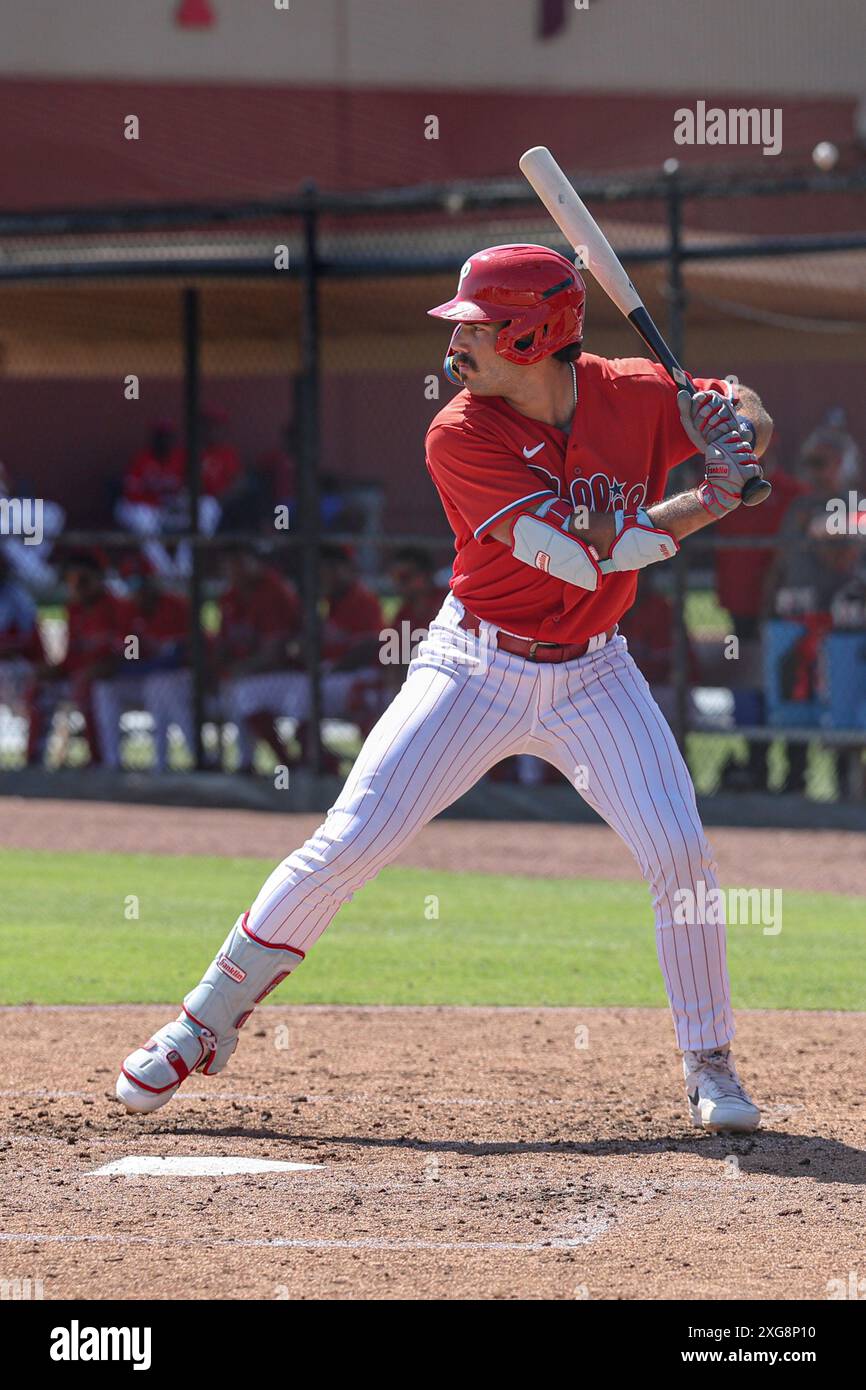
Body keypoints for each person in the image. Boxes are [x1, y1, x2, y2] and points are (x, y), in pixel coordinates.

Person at [118, 243, 772, 1134]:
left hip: (595, 672)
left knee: (682, 853)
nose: (456, 345)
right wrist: (709, 500)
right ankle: (204, 1024)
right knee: (349, 840)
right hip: (475, 665)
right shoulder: (459, 433)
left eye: (476, 328)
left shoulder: (637, 393)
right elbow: (584, 559)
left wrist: (733, 421)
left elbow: (753, 415)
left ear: (536, 335)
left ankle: (711, 1066)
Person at [713, 432, 805, 791]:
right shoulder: (723, 490)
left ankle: (796, 774)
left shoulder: (791, 493)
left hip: (785, 614)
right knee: (748, 692)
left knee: (789, 690)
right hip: (740, 614)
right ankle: (756, 768)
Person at [25, 551, 135, 766]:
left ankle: (99, 760)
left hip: (115, 679)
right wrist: (54, 670)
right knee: (40, 690)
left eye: (83, 580)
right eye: (72, 581)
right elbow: (71, 657)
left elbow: (133, 652)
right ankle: (34, 761)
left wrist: (109, 666)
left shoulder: (119, 607)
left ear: (99, 578)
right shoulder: (73, 610)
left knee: (89, 690)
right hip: (79, 677)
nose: (77, 587)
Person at [91, 557, 191, 773]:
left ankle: (174, 762)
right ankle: (112, 762)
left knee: (159, 685)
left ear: (153, 582)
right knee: (105, 688)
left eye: (142, 583)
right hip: (145, 678)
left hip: (182, 678)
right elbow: (131, 656)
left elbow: (179, 657)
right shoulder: (129, 612)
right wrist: (137, 657)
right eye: (131, 584)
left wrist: (148, 658)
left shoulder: (176, 607)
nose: (138, 590)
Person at [213, 548, 302, 774]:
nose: (235, 571)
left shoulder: (273, 591)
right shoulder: (230, 597)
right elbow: (223, 645)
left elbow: (277, 652)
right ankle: (241, 761)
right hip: (252, 675)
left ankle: (286, 762)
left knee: (244, 692)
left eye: (240, 563)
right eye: (229, 566)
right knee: (235, 690)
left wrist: (242, 669)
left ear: (254, 564)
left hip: (287, 674)